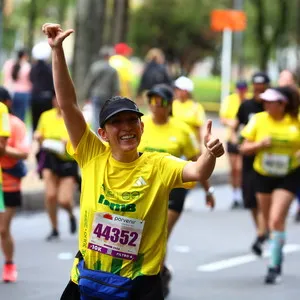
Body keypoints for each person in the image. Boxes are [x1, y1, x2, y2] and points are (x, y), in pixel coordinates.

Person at [42, 23, 224, 300]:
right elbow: (68, 105)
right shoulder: (91, 152)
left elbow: (198, 171)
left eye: (132, 120)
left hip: (139, 286)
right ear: (102, 133)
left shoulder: (159, 164)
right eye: (116, 122)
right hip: (88, 279)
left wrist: (209, 154)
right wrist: (57, 51)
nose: (126, 127)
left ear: (141, 128)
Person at [138, 83, 215, 297]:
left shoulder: (181, 130)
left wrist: (208, 191)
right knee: (144, 237)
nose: (155, 105)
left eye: (160, 101)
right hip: (144, 190)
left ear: (169, 104)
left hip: (174, 190)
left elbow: (197, 162)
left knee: (160, 235)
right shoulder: (140, 124)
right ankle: (159, 271)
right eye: (151, 100)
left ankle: (156, 282)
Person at [240, 86, 300, 284]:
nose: (265, 104)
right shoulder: (258, 119)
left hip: (288, 175)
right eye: (264, 101)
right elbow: (244, 147)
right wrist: (259, 145)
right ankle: (271, 240)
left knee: (276, 219)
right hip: (263, 175)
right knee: (266, 221)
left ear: (282, 104)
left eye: (270, 102)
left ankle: (274, 265)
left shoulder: (295, 121)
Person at [34, 94, 78, 241]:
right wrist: (38, 136)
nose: (58, 102)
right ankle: (54, 228)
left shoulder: (75, 117)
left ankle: (71, 214)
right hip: (49, 157)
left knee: (64, 200)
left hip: (68, 160)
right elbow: (38, 132)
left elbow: (83, 142)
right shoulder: (46, 115)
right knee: (50, 195)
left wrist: (69, 142)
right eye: (55, 98)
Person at [235, 72, 270, 256]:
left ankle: (262, 234)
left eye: (262, 87)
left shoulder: (272, 106)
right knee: (250, 198)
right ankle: (261, 231)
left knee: (263, 196)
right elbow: (238, 126)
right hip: (249, 158)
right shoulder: (246, 106)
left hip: (268, 159)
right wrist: (235, 140)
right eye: (256, 87)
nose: (259, 91)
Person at [0, 87, 29, 283]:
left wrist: (4, 150)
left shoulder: (16, 125)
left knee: (3, 229)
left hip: (9, 182)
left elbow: (24, 153)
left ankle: (9, 264)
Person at [219, 80, 250, 209]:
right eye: (239, 89)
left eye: (243, 89)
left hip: (245, 138)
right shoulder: (230, 100)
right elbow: (223, 118)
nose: (241, 92)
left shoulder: (248, 102)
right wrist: (231, 123)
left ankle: (243, 194)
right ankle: (235, 196)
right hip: (232, 137)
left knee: (241, 168)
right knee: (234, 169)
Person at [277, 70, 300, 222]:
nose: (284, 82)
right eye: (282, 79)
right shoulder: (274, 96)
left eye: (287, 80)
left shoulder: (296, 97)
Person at [82, 46, 120, 131]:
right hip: (108, 97)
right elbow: (116, 87)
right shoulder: (113, 70)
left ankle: (98, 134)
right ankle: (106, 133)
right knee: (107, 116)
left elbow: (89, 83)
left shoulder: (95, 67)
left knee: (96, 117)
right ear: (108, 56)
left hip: (96, 95)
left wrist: (86, 96)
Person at [172, 76, 206, 150]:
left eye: (178, 89)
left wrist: (199, 147)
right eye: (176, 89)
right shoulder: (172, 105)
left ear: (186, 91)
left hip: (191, 147)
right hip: (175, 145)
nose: (176, 91)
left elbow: (199, 129)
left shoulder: (196, 107)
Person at [30, 41, 54, 131]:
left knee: (35, 122)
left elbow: (31, 79)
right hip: (47, 98)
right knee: (46, 122)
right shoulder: (50, 68)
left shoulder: (33, 68)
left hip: (35, 97)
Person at [2, 49, 32, 121]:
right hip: (23, 93)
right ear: (24, 56)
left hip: (8, 93)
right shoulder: (27, 66)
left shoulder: (8, 64)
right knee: (21, 117)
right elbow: (30, 82)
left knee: (7, 116)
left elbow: (5, 77)